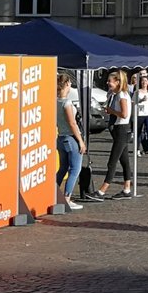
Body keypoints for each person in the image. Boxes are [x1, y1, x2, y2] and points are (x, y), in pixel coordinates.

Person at [86, 71, 133, 201]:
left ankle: (102, 191)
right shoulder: (116, 94)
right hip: (119, 130)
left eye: (110, 81)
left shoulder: (122, 95)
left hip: (122, 130)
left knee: (112, 162)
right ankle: (127, 189)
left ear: (118, 82)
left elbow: (124, 114)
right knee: (124, 161)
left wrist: (110, 110)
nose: (108, 83)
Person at [56, 73, 87, 210]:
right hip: (70, 137)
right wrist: (80, 141)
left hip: (61, 137)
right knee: (75, 169)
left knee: (63, 168)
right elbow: (72, 123)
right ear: (67, 83)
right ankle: (67, 198)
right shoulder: (66, 103)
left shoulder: (55, 101)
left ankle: (54, 194)